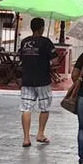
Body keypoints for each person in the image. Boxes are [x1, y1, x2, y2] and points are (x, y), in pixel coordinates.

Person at [18, 16, 55, 147]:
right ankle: (40, 134)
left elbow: (21, 57)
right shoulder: (46, 42)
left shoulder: (24, 42)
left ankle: (26, 138)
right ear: (42, 28)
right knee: (44, 107)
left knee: (26, 108)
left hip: (27, 79)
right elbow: (55, 59)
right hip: (43, 79)